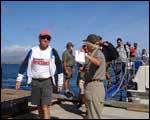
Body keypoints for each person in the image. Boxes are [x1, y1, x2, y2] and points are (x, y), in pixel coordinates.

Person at [15, 30, 63, 119]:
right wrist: (19, 79)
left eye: (48, 38)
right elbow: (24, 64)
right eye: (43, 37)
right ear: (39, 38)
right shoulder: (33, 50)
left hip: (47, 82)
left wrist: (60, 83)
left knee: (45, 107)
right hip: (35, 82)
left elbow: (59, 67)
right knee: (39, 107)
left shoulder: (52, 51)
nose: (46, 39)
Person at [83, 34, 106, 119]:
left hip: (95, 87)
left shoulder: (97, 52)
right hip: (92, 86)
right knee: (91, 114)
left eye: (86, 43)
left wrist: (86, 55)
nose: (85, 46)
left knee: (94, 115)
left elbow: (98, 62)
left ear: (90, 44)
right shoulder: (93, 53)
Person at [76, 44, 88, 110]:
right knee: (81, 91)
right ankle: (81, 102)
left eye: (86, 48)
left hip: (88, 77)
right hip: (81, 77)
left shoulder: (89, 55)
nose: (85, 49)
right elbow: (77, 53)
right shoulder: (80, 57)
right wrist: (81, 49)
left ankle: (87, 107)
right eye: (84, 48)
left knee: (86, 93)